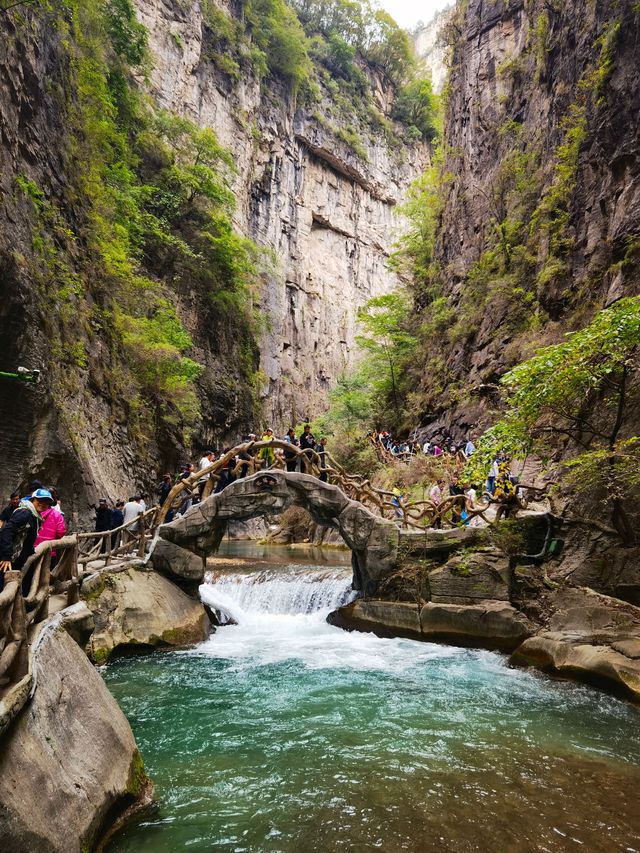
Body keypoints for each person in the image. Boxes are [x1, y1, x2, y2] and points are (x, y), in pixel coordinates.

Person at [0, 489, 53, 594]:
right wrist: (6, 556)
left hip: (15, 558)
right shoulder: (25, 513)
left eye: (46, 502)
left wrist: (30, 550)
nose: (43, 504)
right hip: (8, 559)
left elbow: (25, 536)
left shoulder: (34, 515)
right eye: (40, 500)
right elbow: (6, 530)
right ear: (33, 500)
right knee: (4, 588)